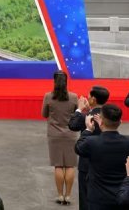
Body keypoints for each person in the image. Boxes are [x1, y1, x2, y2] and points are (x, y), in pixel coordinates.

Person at [74, 103, 129, 210]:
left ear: (101, 121)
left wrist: (88, 130)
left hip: (98, 197)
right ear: (120, 122)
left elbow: (79, 148)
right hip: (119, 195)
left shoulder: (91, 142)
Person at [68, 85, 109, 210]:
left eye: (89, 96)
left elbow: (72, 125)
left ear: (93, 99)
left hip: (87, 162)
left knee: (85, 196)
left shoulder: (86, 116)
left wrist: (79, 110)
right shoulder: (109, 115)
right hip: (106, 161)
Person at [41, 70, 78, 205]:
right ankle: (68, 195)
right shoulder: (74, 97)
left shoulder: (48, 97)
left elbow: (44, 114)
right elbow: (77, 115)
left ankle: (60, 195)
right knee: (70, 165)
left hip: (54, 134)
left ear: (54, 81)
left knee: (58, 165)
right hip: (70, 135)